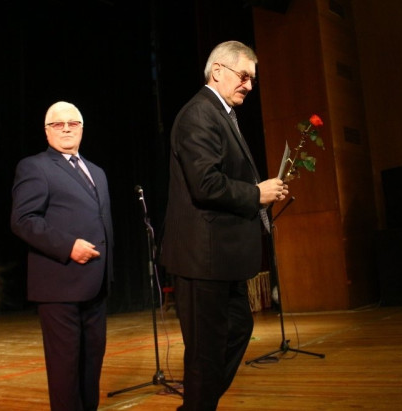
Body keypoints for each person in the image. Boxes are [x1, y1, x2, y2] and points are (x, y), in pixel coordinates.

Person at [160, 40, 288, 410]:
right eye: (243, 76)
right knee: (206, 353)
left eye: (252, 79)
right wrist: (255, 193)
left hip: (221, 260)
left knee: (236, 330)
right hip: (203, 259)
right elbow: (206, 184)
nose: (249, 85)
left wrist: (260, 194)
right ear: (217, 70)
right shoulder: (199, 114)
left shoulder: (221, 113)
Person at [11, 101, 114, 411]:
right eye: (58, 124)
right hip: (59, 286)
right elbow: (23, 220)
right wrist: (68, 246)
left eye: (73, 123)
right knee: (65, 372)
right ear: (47, 131)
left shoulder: (97, 172)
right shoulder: (34, 167)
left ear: (82, 128)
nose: (66, 128)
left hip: (95, 286)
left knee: (91, 367)